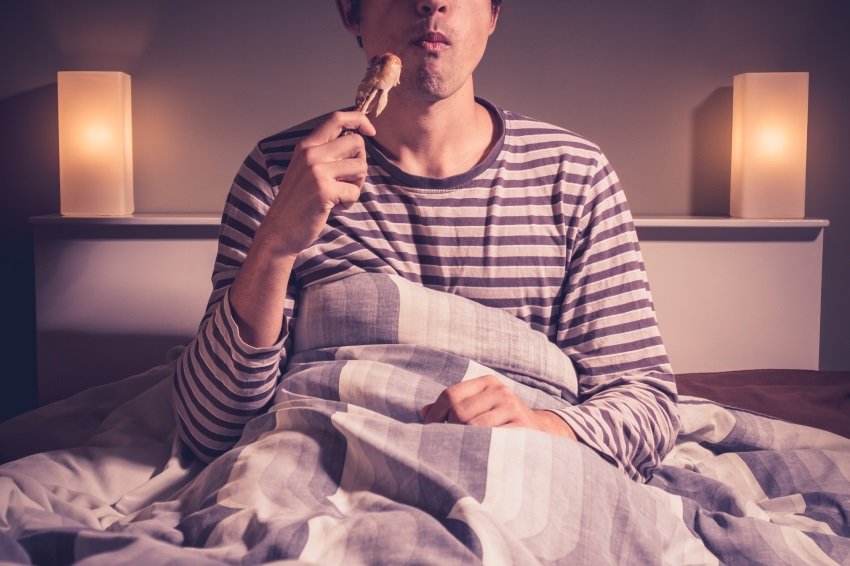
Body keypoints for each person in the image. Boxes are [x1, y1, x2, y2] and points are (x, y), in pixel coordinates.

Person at [172, 0, 680, 483]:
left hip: (516, 476)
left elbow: (647, 404)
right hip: (330, 471)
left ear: (493, 13)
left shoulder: (574, 175)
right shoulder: (282, 171)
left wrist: (543, 425)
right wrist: (276, 244)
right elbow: (211, 426)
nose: (431, 2)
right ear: (351, 11)